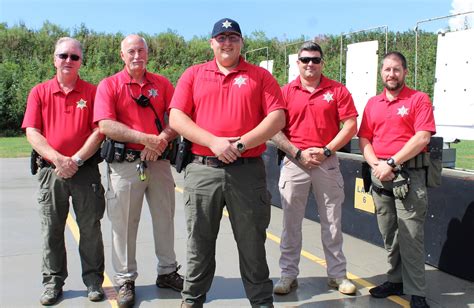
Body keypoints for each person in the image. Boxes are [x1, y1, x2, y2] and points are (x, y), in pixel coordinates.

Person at [169, 18, 286, 308]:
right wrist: (214, 142)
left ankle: (261, 303)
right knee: (198, 245)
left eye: (233, 37)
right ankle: (192, 302)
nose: (227, 42)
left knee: (252, 246)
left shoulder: (260, 76)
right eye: (221, 38)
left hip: (247, 172)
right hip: (202, 170)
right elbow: (176, 118)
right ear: (212, 43)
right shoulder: (194, 75)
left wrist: (240, 144)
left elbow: (277, 118)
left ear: (241, 42)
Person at [93, 34, 183, 308]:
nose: (136, 56)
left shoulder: (163, 84)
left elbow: (177, 119)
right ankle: (124, 280)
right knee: (123, 225)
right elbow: (106, 125)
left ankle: (167, 272)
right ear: (122, 55)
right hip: (125, 166)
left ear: (147, 54)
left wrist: (161, 141)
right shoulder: (110, 85)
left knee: (165, 219)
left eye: (141, 50)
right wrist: (147, 139)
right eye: (131, 51)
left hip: (158, 162)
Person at [22, 37, 106, 305]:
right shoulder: (39, 92)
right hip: (51, 171)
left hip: (85, 171)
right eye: (63, 56)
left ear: (82, 61)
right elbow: (33, 132)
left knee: (90, 229)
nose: (68, 61)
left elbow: (99, 130)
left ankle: (94, 281)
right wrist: (58, 159)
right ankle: (53, 283)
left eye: (74, 57)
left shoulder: (93, 93)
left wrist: (77, 159)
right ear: (54, 59)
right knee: (52, 230)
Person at [271, 41, 358, 296]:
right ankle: (288, 275)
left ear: (322, 63)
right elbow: (274, 129)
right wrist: (296, 152)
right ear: (297, 62)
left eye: (316, 59)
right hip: (294, 161)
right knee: (290, 223)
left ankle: (337, 275)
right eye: (305, 59)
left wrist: (326, 150)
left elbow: (350, 125)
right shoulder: (285, 91)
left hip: (326, 162)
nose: (310, 64)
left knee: (332, 221)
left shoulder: (338, 90)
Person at [358, 51, 435, 308]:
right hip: (380, 175)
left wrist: (392, 162)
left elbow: (422, 137)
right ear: (381, 73)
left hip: (409, 176)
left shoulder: (418, 99)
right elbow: (365, 139)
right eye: (387, 69)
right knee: (389, 233)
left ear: (405, 72)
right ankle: (395, 279)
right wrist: (376, 165)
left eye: (396, 70)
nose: (391, 74)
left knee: (411, 235)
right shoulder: (372, 103)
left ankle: (417, 292)